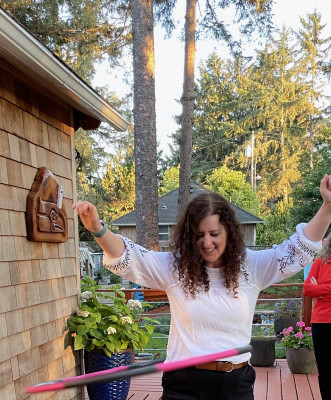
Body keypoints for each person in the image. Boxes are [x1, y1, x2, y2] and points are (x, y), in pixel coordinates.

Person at [73, 174, 331, 400]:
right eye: (199, 235)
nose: (207, 242)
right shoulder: (176, 268)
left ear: (228, 232)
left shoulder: (252, 266)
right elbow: (131, 257)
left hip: (236, 384)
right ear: (189, 236)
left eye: (214, 233)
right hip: (185, 384)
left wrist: (328, 205)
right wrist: (98, 229)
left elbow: (301, 247)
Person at [303, 233, 331, 400]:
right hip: (321, 323)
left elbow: (315, 289)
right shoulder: (319, 263)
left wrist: (321, 288)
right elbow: (308, 289)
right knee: (325, 370)